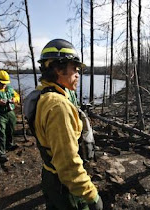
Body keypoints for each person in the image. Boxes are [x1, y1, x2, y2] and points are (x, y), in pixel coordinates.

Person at [28, 39, 103, 210]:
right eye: (74, 69)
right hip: (65, 186)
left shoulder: (44, 94)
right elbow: (68, 164)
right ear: (58, 69)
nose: (78, 74)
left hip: (50, 175)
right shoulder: (59, 106)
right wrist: (91, 195)